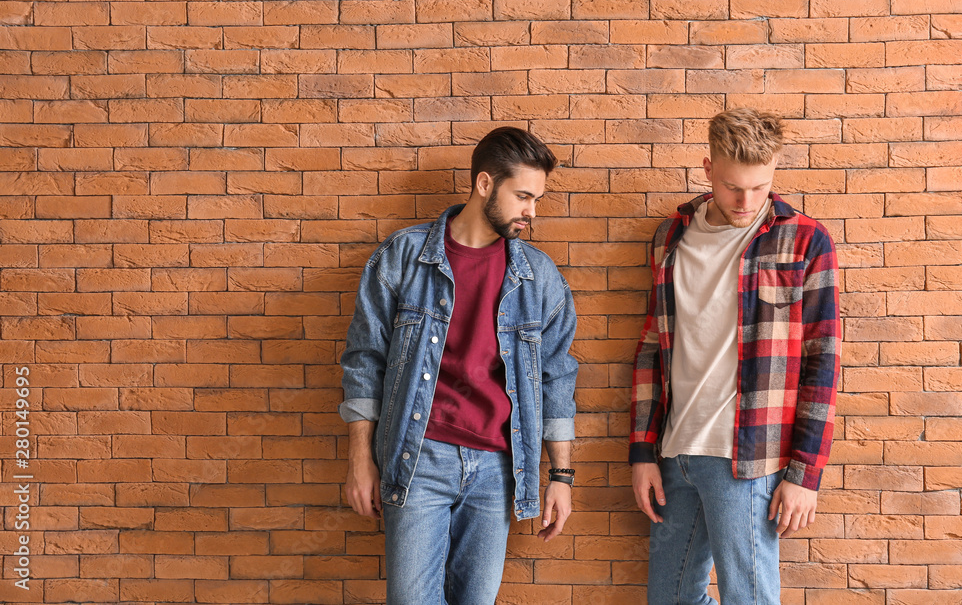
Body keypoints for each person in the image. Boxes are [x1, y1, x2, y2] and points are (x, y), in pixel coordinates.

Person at [339, 126, 579, 604]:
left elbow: (557, 379)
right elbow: (365, 361)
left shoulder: (540, 278)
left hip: (498, 467)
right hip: (418, 456)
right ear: (485, 184)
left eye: (537, 199)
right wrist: (359, 459)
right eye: (524, 196)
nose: (532, 211)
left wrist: (562, 477)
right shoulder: (403, 257)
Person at [630, 108, 841, 604]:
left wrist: (804, 474)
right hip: (675, 453)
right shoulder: (670, 238)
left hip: (748, 460)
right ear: (707, 168)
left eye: (759, 186)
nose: (746, 201)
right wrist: (642, 452)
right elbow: (650, 351)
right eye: (731, 186)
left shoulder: (806, 241)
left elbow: (822, 362)